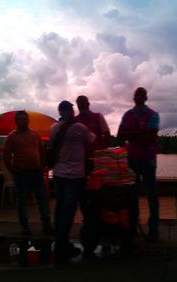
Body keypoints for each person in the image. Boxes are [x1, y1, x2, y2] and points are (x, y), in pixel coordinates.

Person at [50, 101, 96, 263]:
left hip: (58, 173)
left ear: (60, 112)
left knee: (60, 207)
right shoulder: (79, 127)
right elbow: (92, 139)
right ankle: (63, 244)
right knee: (69, 210)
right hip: (74, 175)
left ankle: (59, 240)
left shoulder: (53, 127)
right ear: (71, 111)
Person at [117, 87, 160, 242]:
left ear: (145, 98)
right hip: (132, 159)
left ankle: (153, 229)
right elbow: (119, 135)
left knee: (152, 195)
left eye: (141, 95)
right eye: (137, 95)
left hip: (148, 159)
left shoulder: (153, 115)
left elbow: (149, 137)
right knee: (131, 195)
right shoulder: (127, 115)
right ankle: (132, 226)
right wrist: (139, 133)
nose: (139, 98)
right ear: (134, 98)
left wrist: (130, 134)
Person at [3, 110, 52, 237]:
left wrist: (42, 166)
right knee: (22, 201)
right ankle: (25, 227)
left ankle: (46, 225)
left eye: (25, 119)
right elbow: (6, 155)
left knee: (43, 199)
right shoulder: (12, 136)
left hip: (36, 173)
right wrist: (12, 169)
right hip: (21, 174)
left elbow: (42, 151)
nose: (23, 121)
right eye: (20, 119)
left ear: (28, 120)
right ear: (16, 121)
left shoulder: (35, 134)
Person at [74, 95, 111, 257]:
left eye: (84, 103)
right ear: (77, 105)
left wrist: (101, 151)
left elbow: (107, 134)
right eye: (79, 103)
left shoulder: (98, 117)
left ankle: (102, 224)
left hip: (97, 163)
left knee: (100, 195)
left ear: (88, 103)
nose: (82, 105)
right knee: (83, 195)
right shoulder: (74, 121)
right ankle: (88, 223)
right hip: (81, 163)